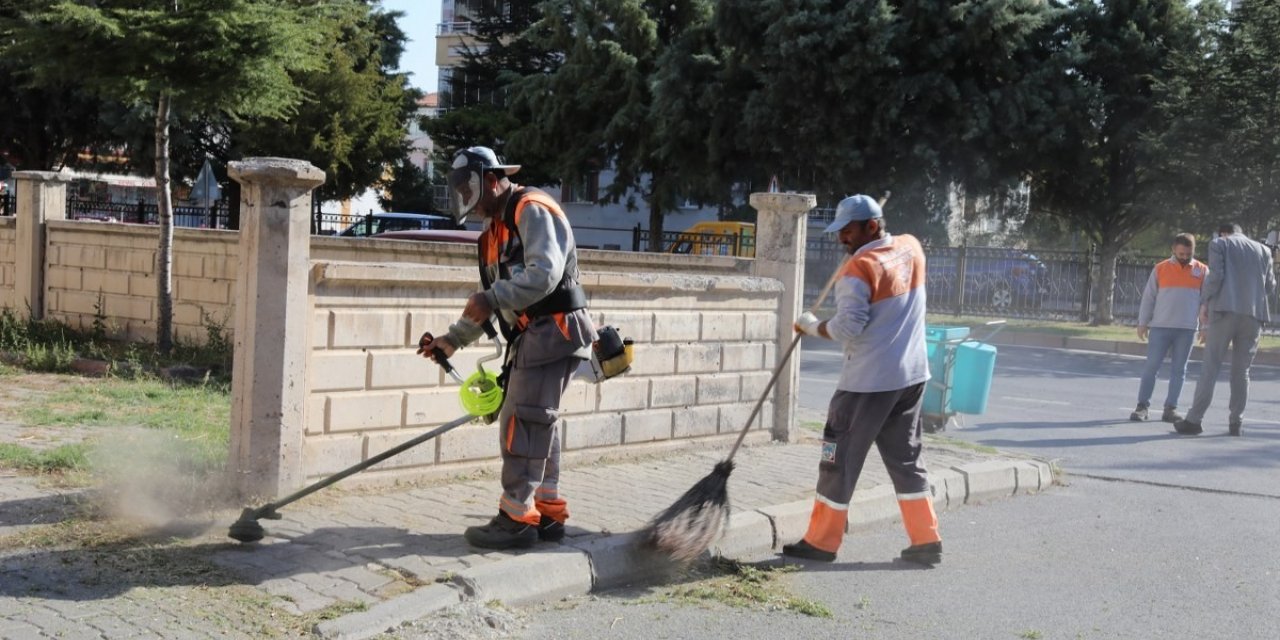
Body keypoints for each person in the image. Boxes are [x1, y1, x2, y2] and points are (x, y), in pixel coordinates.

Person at [419, 146, 597, 549]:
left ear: (493, 179)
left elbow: (545, 275)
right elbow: (487, 299)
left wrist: (492, 298)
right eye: (462, 190)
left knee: (524, 421)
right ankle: (546, 513)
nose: (470, 198)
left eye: (472, 187)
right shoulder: (491, 234)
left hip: (554, 329)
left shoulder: (530, 208)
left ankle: (516, 518)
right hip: (536, 334)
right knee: (539, 421)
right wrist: (452, 340)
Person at [784, 194, 941, 565]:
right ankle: (926, 540)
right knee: (907, 460)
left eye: (849, 231)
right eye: (840, 232)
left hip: (867, 384)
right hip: (911, 377)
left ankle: (821, 542)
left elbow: (849, 327)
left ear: (872, 226)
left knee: (837, 460)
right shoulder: (912, 248)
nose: (842, 239)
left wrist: (813, 327)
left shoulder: (856, 271)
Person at [1174, 223, 1277, 436]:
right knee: (1242, 372)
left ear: (1223, 233)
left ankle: (1194, 420)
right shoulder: (1264, 250)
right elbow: (1270, 286)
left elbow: (1216, 276)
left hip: (1223, 310)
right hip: (1254, 315)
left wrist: (1204, 302)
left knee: (1210, 367)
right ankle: (1236, 422)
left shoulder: (1219, 244)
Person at [1129, 233, 1208, 423]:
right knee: (1151, 367)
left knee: (1179, 370)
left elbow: (1206, 302)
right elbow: (1149, 298)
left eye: (1187, 253)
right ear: (1173, 249)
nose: (1184, 256)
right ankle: (1142, 406)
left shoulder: (1203, 270)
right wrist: (1142, 322)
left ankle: (1170, 408)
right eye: (1180, 253)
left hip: (1187, 329)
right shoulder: (1160, 269)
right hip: (1160, 327)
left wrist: (1205, 327)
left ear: (1193, 251)